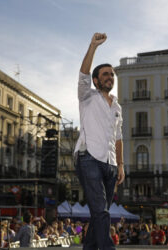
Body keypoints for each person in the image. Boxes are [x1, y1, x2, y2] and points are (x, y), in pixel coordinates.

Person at [74, 32, 125, 250]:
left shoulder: (117, 106)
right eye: (105, 75)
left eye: (112, 75)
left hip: (110, 163)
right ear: (96, 80)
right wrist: (93, 46)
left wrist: (121, 165)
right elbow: (83, 74)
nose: (110, 78)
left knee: (98, 212)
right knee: (100, 210)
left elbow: (119, 137)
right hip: (88, 157)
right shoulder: (87, 96)